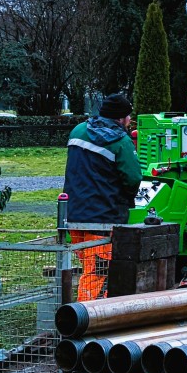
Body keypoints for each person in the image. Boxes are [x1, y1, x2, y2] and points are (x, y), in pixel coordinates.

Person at [60, 93, 142, 301]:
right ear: (121, 118)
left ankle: (88, 312)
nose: (129, 121)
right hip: (103, 218)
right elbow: (133, 178)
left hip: (74, 214)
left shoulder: (78, 131)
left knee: (89, 266)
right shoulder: (121, 141)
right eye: (128, 117)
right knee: (98, 272)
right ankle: (84, 320)